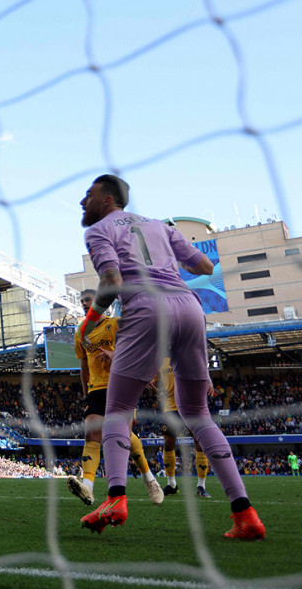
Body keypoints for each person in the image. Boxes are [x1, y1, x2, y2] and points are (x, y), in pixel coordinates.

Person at [76, 174, 263, 539]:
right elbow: (205, 267)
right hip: (190, 309)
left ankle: (115, 497)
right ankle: (245, 514)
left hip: (146, 306)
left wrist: (91, 319)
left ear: (108, 199)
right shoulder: (159, 225)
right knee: (199, 415)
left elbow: (112, 282)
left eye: (88, 195)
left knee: (117, 411)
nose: (83, 202)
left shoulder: (99, 230)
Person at [66, 289, 164, 507]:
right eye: (81, 301)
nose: (84, 303)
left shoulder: (118, 323)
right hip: (96, 390)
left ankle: (149, 478)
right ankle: (87, 488)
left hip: (121, 385)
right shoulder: (81, 331)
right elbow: (83, 365)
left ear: (99, 302)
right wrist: (85, 393)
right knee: (91, 434)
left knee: (124, 436)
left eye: (88, 300)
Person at [155, 358, 214, 498]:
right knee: (168, 444)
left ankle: (201, 486)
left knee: (199, 442)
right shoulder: (159, 360)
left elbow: (201, 366)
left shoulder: (186, 353)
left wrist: (208, 381)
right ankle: (172, 485)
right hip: (170, 406)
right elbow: (156, 384)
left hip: (190, 404)